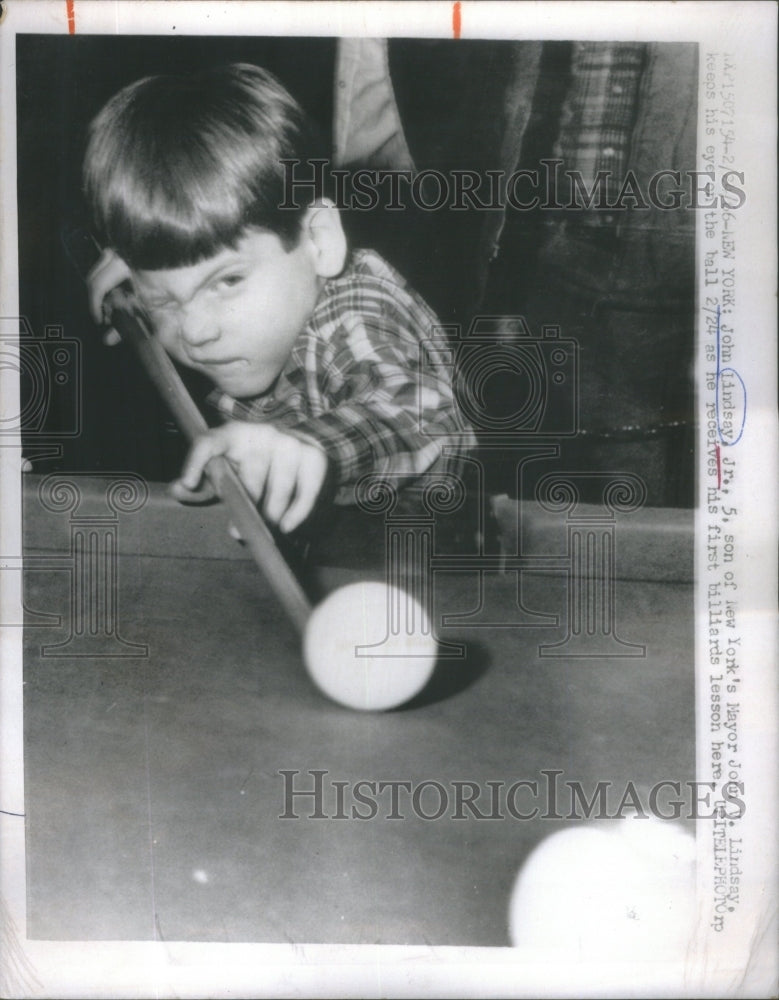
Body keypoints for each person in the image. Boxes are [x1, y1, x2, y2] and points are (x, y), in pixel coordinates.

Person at [83, 63, 476, 556]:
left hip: (444, 569)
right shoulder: (246, 294)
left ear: (318, 240)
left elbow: (420, 412)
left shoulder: (357, 313)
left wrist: (313, 448)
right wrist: (147, 268)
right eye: (165, 300)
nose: (196, 332)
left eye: (226, 281)